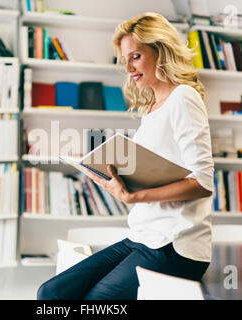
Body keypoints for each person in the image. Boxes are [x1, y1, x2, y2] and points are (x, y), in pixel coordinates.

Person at [37, 12, 214, 300]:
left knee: (96, 301)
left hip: (175, 245)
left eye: (135, 56)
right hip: (140, 238)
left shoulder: (183, 97)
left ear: (160, 51)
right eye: (125, 60)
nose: (129, 68)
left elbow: (203, 182)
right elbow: (154, 171)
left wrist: (134, 197)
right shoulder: (152, 107)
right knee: (52, 292)